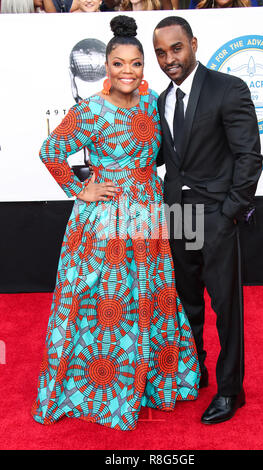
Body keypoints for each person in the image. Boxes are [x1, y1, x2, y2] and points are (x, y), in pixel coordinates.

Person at [31, 15, 200, 431]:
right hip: (105, 218)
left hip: (147, 213)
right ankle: (101, 385)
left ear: (145, 67)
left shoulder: (152, 102)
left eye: (137, 63)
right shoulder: (89, 110)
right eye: (119, 63)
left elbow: (163, 152)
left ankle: (152, 381)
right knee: (107, 302)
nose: (128, 71)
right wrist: (81, 188)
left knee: (150, 294)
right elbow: (50, 150)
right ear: (106, 67)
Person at [153, 16, 263, 424]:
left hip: (215, 215)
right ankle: (194, 371)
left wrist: (229, 212)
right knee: (187, 303)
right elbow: (167, 159)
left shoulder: (227, 88)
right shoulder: (161, 98)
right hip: (178, 215)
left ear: (193, 43)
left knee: (225, 308)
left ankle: (232, 391)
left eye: (176, 48)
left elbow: (249, 156)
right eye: (161, 53)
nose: (169, 59)